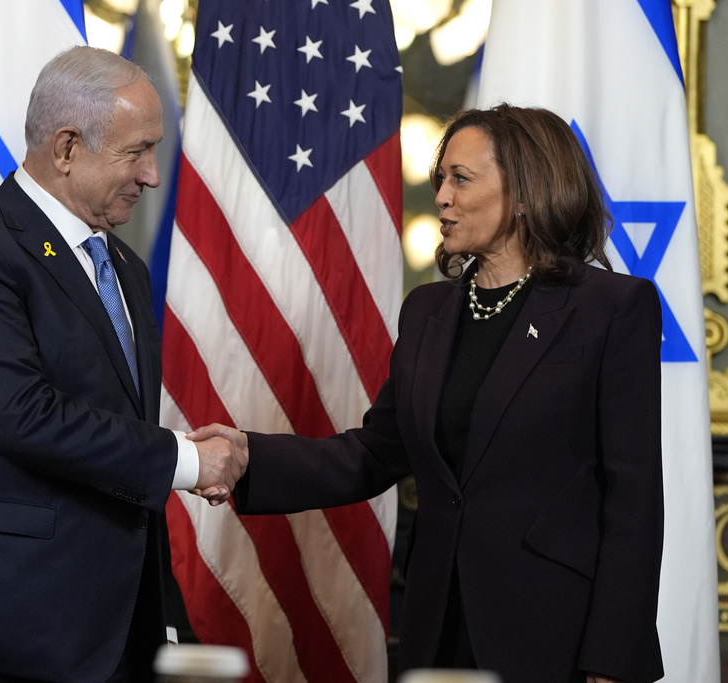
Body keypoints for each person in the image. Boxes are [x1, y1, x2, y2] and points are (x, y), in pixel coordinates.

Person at [191, 104, 664, 683]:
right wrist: (247, 457)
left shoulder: (611, 308)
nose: (440, 196)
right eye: (441, 178)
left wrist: (612, 657)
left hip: (554, 630)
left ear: (525, 191)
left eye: (460, 179)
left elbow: (634, 498)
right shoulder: (428, 312)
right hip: (438, 620)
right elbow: (373, 452)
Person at [0, 46, 247, 683]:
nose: (154, 176)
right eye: (137, 152)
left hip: (110, 634)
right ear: (67, 147)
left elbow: (110, 436)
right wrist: (185, 460)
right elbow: (19, 414)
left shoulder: (124, 270)